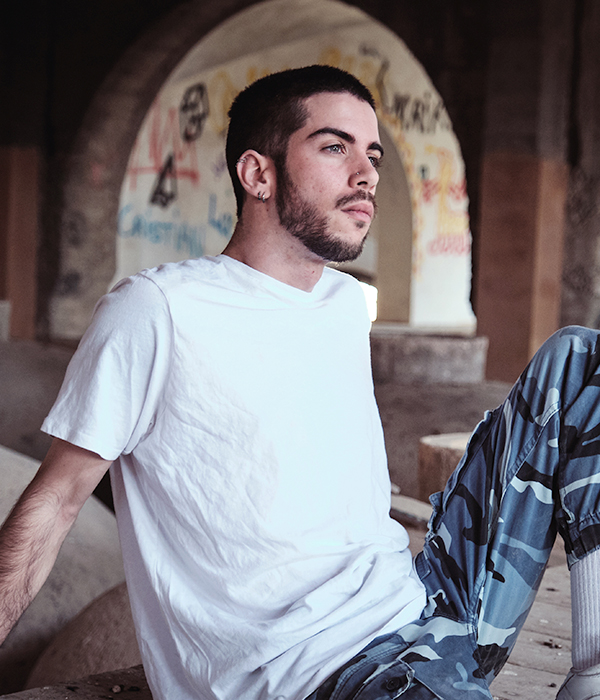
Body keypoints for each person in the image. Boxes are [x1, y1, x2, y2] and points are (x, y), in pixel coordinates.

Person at [0, 65, 599, 700]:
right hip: (316, 674)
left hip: (428, 606)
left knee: (581, 358)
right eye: (335, 147)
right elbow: (56, 503)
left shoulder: (343, 303)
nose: (366, 174)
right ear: (257, 174)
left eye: (372, 155)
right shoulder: (157, 311)